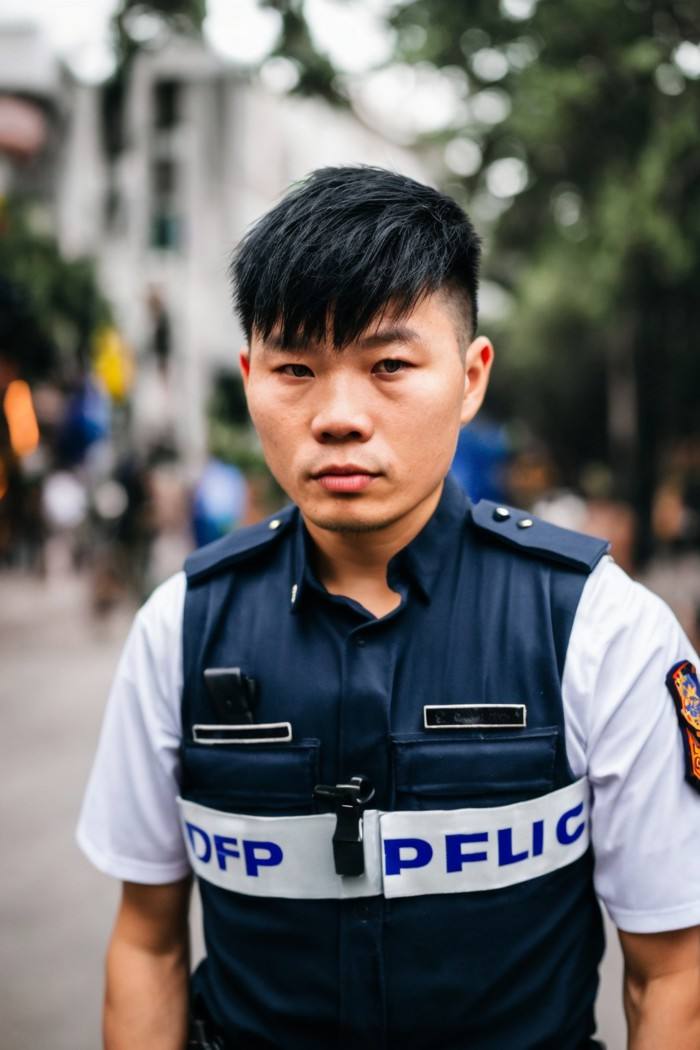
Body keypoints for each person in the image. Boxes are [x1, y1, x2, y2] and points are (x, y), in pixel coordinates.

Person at [77, 166, 700, 1050]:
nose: (338, 415)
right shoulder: (181, 628)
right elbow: (146, 941)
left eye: (389, 366)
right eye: (296, 367)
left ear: (471, 376)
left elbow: (673, 972)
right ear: (250, 377)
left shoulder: (602, 629)